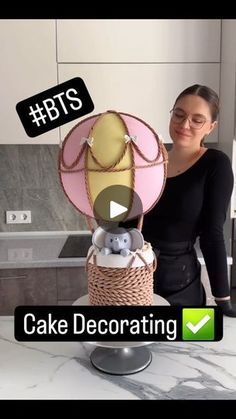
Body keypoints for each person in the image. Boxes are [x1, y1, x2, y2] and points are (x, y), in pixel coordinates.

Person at [123, 84, 236, 316]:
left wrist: (222, 298)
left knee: (180, 351)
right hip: (133, 282)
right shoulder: (149, 161)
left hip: (180, 287)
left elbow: (212, 234)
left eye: (197, 120)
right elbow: (128, 223)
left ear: (210, 127)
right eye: (179, 114)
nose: (185, 125)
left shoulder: (215, 164)